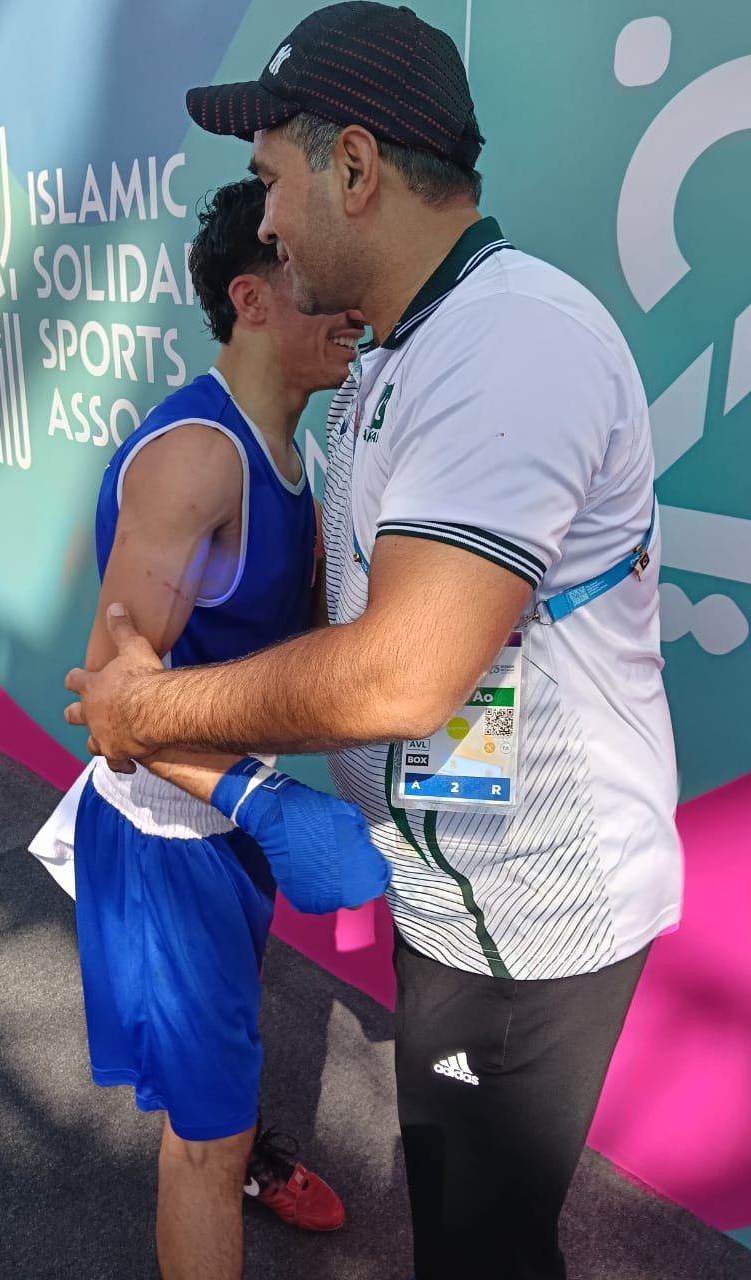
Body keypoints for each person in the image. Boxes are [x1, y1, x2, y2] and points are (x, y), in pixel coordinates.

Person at [63, 5, 684, 1279]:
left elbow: (402, 670)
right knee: (450, 1215)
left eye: (274, 182)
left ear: (354, 167)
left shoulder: (510, 343)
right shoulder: (411, 345)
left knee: (480, 1241)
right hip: (453, 890)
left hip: (528, 913)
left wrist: (163, 722)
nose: (271, 225)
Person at [37, 175, 390, 1280]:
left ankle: (233, 1139)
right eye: (318, 280)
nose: (352, 304)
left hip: (228, 816)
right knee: (204, 1135)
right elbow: (109, 701)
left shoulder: (299, 444)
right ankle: (226, 1151)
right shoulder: (200, 458)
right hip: (168, 835)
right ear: (251, 296)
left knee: (221, 1069)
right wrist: (257, 796)